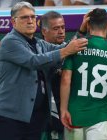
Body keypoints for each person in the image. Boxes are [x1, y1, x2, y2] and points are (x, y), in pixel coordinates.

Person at [0, 2, 88, 140]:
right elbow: (33, 61)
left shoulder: (39, 43)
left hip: (34, 116)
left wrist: (81, 32)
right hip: (12, 116)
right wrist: (66, 50)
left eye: (32, 17)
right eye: (24, 17)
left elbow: (65, 48)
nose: (30, 21)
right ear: (13, 21)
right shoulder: (10, 41)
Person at [60, 8, 107, 140]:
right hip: (100, 115)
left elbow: (66, 79)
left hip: (74, 115)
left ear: (88, 25)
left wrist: (63, 109)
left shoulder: (74, 46)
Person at [40, 11, 65, 140]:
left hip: (65, 119)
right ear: (44, 31)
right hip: (41, 120)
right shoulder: (35, 52)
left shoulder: (70, 53)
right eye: (56, 28)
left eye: (63, 27)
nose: (61, 31)